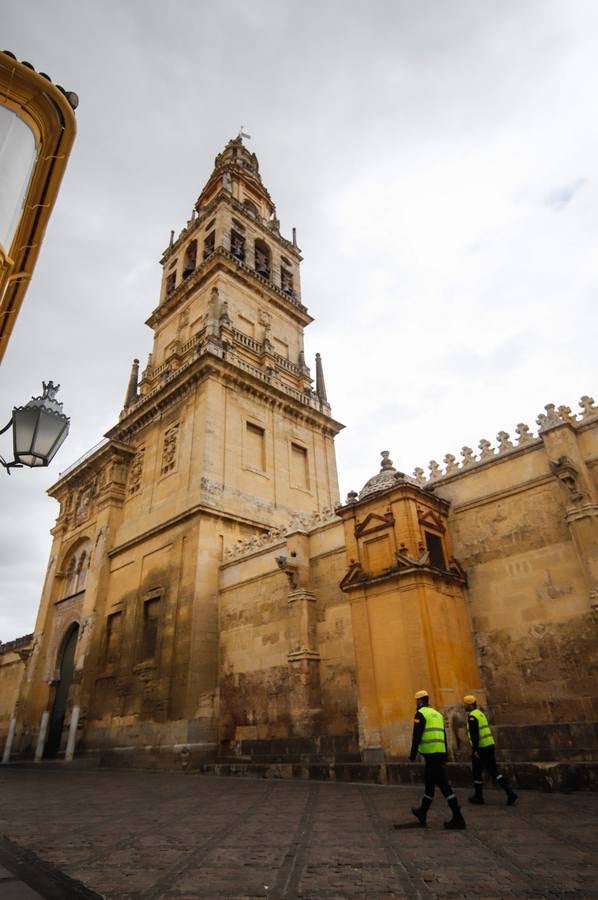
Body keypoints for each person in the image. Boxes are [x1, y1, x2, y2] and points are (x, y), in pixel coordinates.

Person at [399, 689, 466, 830]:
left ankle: (458, 817)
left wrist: (412, 754)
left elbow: (416, 736)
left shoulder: (421, 714)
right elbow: (443, 735)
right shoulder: (437, 714)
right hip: (439, 753)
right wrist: (446, 753)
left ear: (419, 701)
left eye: (416, 701)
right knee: (429, 785)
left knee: (444, 786)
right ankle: (422, 812)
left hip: (431, 755)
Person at [464, 694, 518, 805]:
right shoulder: (480, 714)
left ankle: (509, 793)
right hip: (489, 745)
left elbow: (475, 735)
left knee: (480, 771)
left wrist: (475, 750)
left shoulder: (472, 716)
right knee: (488, 771)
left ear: (469, 705)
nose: (464, 706)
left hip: (481, 748)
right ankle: (480, 796)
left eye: (465, 704)